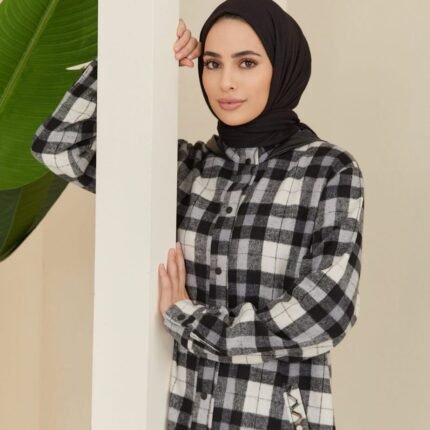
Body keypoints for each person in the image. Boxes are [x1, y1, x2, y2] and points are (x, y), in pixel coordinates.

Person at [31, 0, 365, 428]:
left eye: (247, 63)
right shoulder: (186, 169)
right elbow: (59, 148)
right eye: (212, 63)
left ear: (283, 67)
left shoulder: (328, 170)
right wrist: (132, 56)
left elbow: (327, 312)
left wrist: (189, 320)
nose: (225, 82)